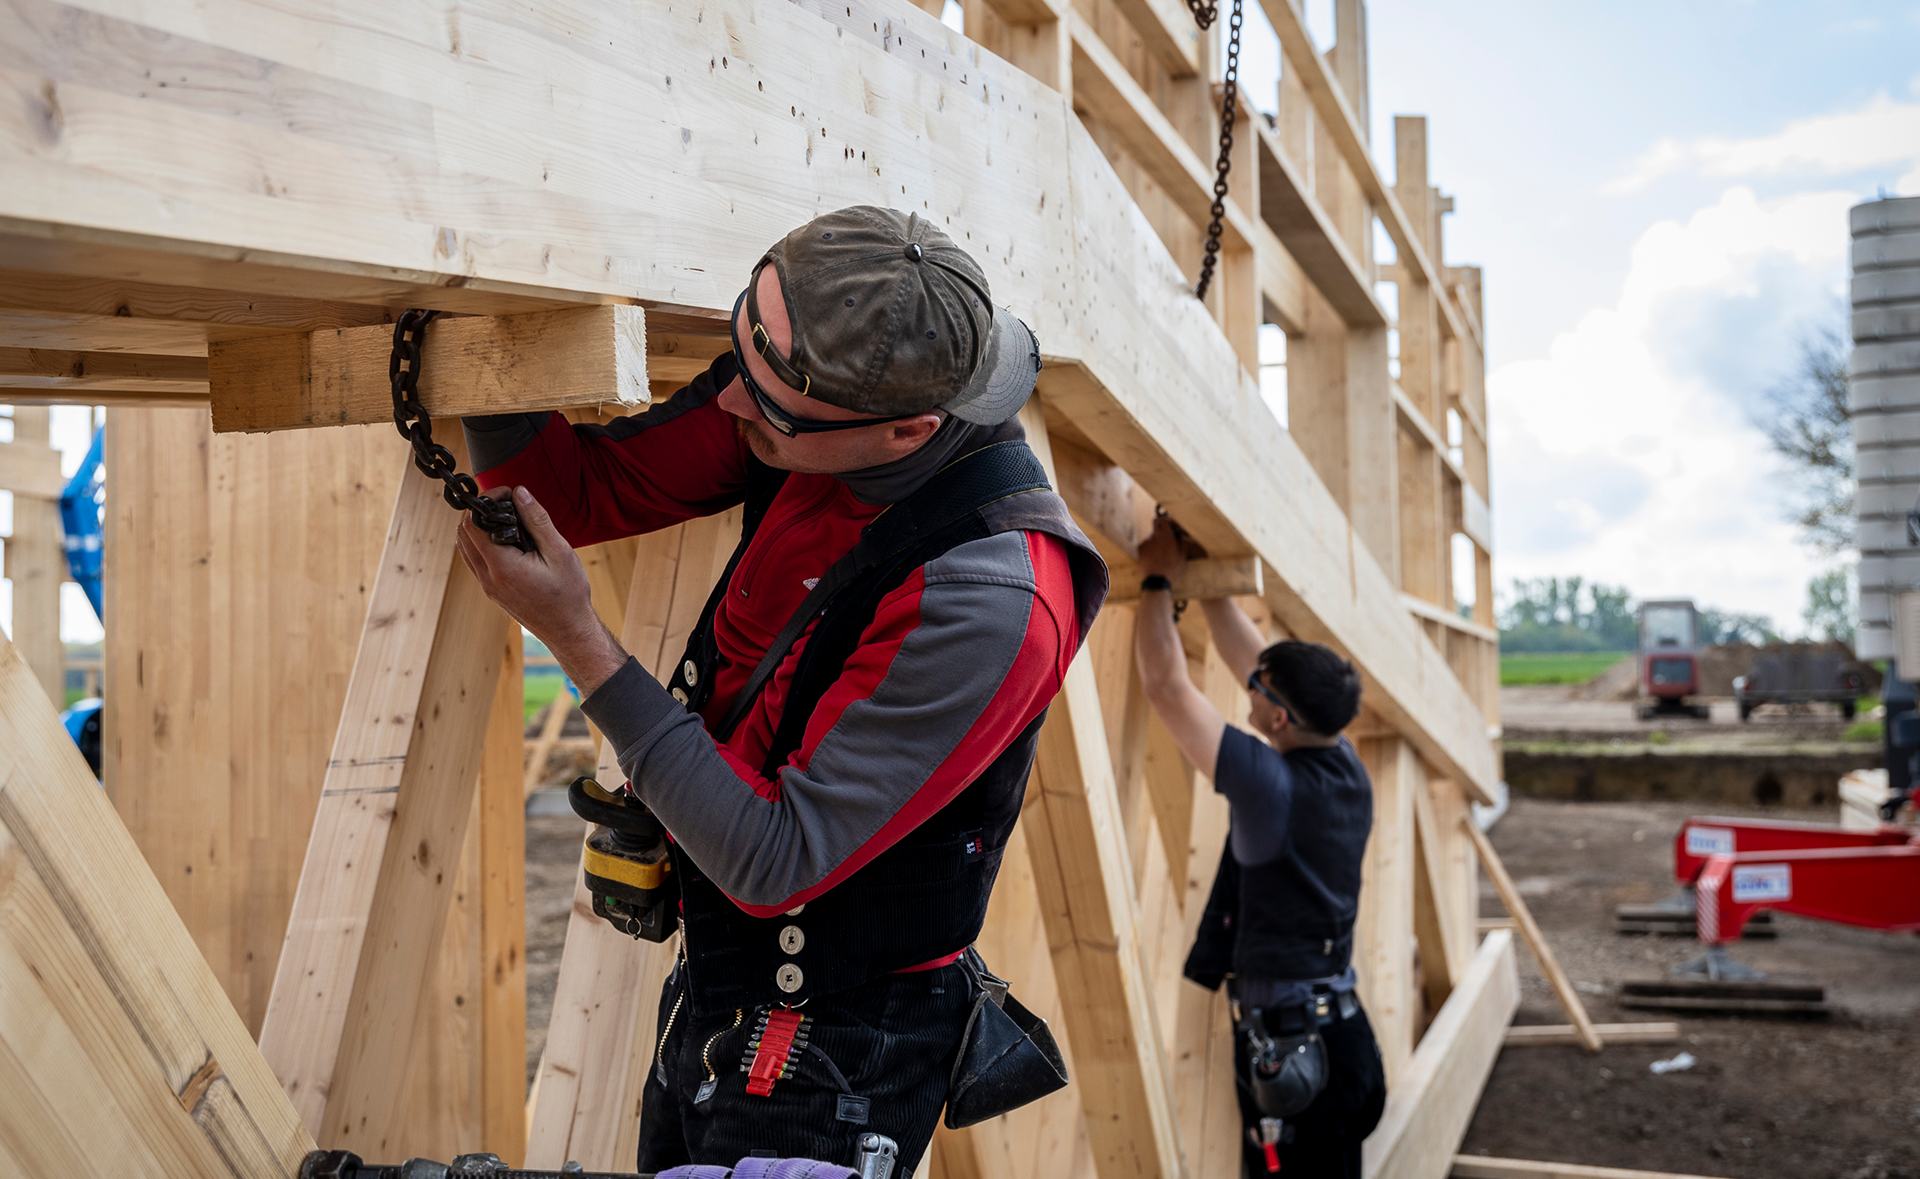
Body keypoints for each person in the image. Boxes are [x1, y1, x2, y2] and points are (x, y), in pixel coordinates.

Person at [453, 206, 1107, 1174]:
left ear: (910, 430)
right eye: (739, 361)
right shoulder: (801, 381)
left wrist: (580, 643)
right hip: (718, 990)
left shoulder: (990, 598)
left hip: (844, 1047)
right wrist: (482, 329)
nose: (730, 409)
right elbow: (583, 493)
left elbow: (776, 856)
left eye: (770, 412)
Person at [1131, 517, 1385, 1179]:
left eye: (1257, 689)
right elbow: (1263, 666)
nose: (1247, 683)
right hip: (1339, 1046)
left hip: (1301, 1063)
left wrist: (1156, 576)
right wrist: (1212, 586)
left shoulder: (1268, 783)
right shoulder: (1343, 758)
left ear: (1277, 718)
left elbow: (1166, 686)